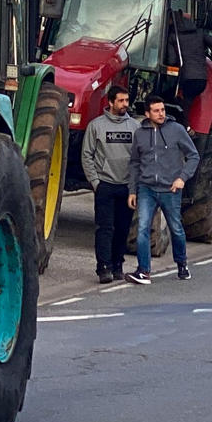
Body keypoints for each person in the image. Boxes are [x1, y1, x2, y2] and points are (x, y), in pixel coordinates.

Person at [125, 96, 198, 285]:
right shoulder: (140, 134)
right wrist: (133, 190)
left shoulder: (177, 130)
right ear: (147, 114)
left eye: (163, 110)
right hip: (146, 188)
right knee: (142, 228)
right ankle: (143, 271)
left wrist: (182, 178)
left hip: (170, 189)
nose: (161, 114)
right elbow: (134, 163)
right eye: (156, 111)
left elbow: (193, 156)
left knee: (176, 228)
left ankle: (182, 264)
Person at [80, 88, 139, 284]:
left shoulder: (135, 127)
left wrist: (134, 185)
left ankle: (117, 265)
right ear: (111, 102)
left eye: (127, 100)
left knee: (122, 228)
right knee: (104, 229)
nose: (125, 104)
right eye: (121, 101)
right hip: (105, 185)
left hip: (127, 187)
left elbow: (140, 157)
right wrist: (96, 182)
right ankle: (103, 267)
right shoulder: (96, 126)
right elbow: (87, 155)